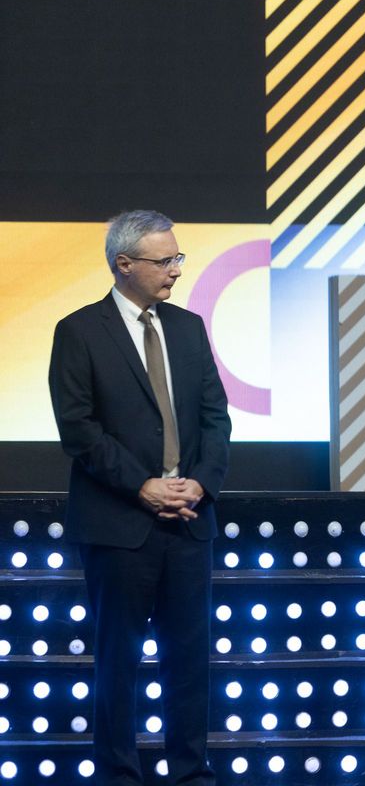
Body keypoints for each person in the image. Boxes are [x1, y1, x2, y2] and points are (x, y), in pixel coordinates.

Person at [48, 210, 231, 786]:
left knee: (189, 661)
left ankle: (191, 775)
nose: (176, 269)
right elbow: (78, 429)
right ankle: (118, 776)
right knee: (118, 662)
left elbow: (216, 418)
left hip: (189, 521)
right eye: (165, 260)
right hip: (118, 525)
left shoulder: (189, 328)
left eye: (178, 258)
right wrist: (142, 486)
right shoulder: (79, 331)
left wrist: (199, 482)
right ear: (124, 264)